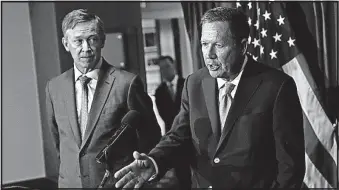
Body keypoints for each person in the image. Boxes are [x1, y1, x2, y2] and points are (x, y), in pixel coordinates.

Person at [114, 7, 305, 188]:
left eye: (219, 45)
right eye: (205, 44)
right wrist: (153, 161)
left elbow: (290, 167)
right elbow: (179, 136)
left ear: (243, 46)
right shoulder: (194, 83)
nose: (209, 54)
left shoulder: (277, 87)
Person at [45, 9, 161, 188]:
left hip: (117, 185)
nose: (86, 48)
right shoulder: (54, 87)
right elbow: (59, 143)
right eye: (78, 41)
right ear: (66, 44)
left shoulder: (127, 84)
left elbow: (151, 138)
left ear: (102, 40)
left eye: (92, 39)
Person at [154, 55, 185, 133]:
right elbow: (163, 115)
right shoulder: (159, 92)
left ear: (173, 65)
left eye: (167, 66)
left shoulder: (186, 84)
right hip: (171, 132)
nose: (165, 70)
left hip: (188, 130)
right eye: (162, 68)